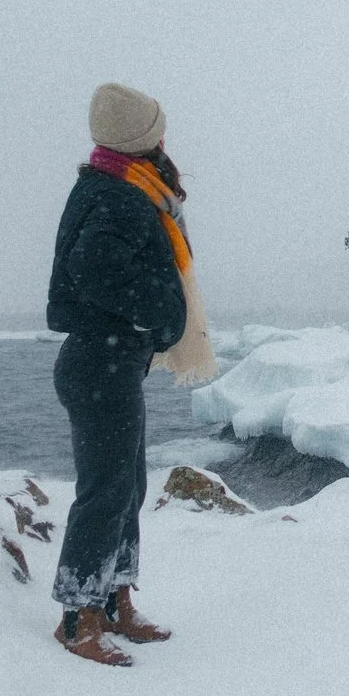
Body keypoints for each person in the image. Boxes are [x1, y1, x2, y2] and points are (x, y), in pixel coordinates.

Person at [44, 82, 216, 666]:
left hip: (110, 359)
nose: (165, 138)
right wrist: (161, 310)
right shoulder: (118, 196)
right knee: (105, 492)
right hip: (100, 359)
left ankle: (114, 601)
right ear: (142, 138)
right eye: (156, 130)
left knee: (127, 487)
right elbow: (93, 268)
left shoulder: (114, 185)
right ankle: (75, 618)